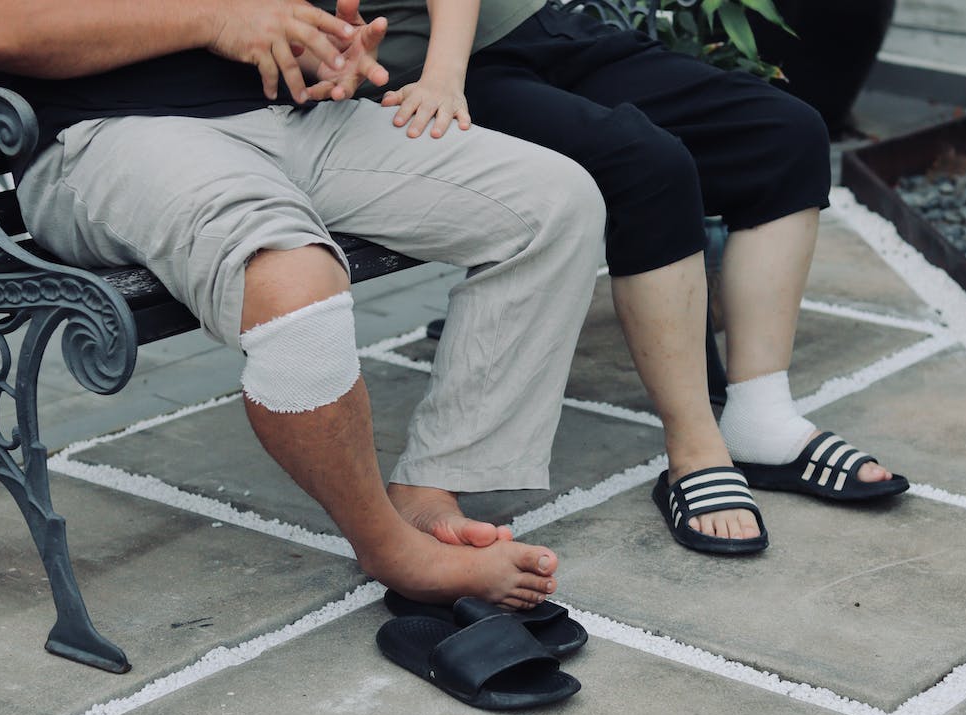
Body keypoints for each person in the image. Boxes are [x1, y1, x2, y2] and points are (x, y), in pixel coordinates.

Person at [0, 0, 611, 607]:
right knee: (294, 287)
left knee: (552, 203)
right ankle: (391, 549)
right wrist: (218, 17)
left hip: (295, 114)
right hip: (109, 134)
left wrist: (324, 44)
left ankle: (433, 487)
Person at [360, 0, 909, 554]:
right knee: (646, 164)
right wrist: (443, 77)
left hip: (530, 25)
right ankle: (695, 449)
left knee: (786, 133)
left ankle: (761, 414)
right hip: (414, 72)